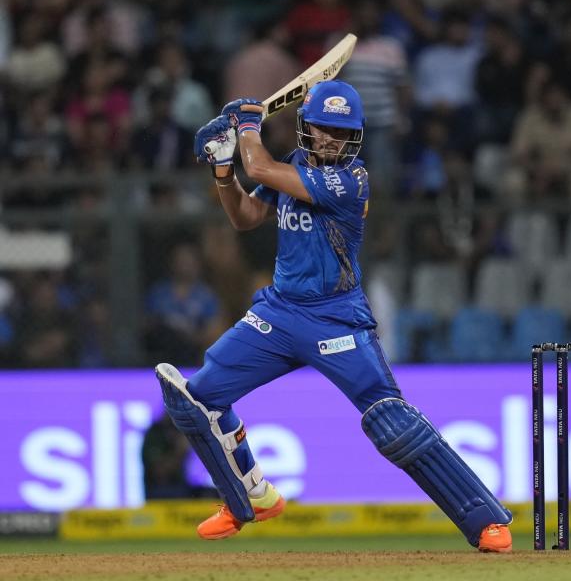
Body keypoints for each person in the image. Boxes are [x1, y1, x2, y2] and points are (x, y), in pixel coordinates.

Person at [154, 80, 512, 552]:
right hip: (280, 313)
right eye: (322, 130)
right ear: (306, 128)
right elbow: (244, 216)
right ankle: (252, 496)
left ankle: (486, 521)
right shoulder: (294, 167)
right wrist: (224, 170)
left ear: (354, 139)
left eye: (340, 134)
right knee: (198, 398)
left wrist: (244, 126)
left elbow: (258, 161)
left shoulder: (351, 180)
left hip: (335, 318)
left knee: (391, 421)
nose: (329, 141)